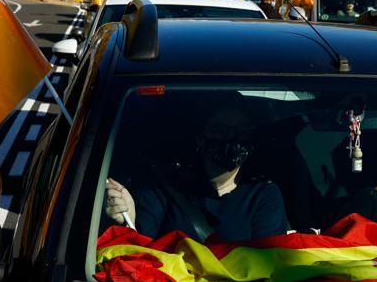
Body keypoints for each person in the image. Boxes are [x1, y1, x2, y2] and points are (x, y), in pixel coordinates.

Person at [103, 102, 290, 243]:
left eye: (242, 131)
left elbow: (269, 269)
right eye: (220, 130)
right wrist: (127, 221)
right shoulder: (164, 189)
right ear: (200, 137)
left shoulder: (264, 194)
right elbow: (138, 257)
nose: (232, 138)